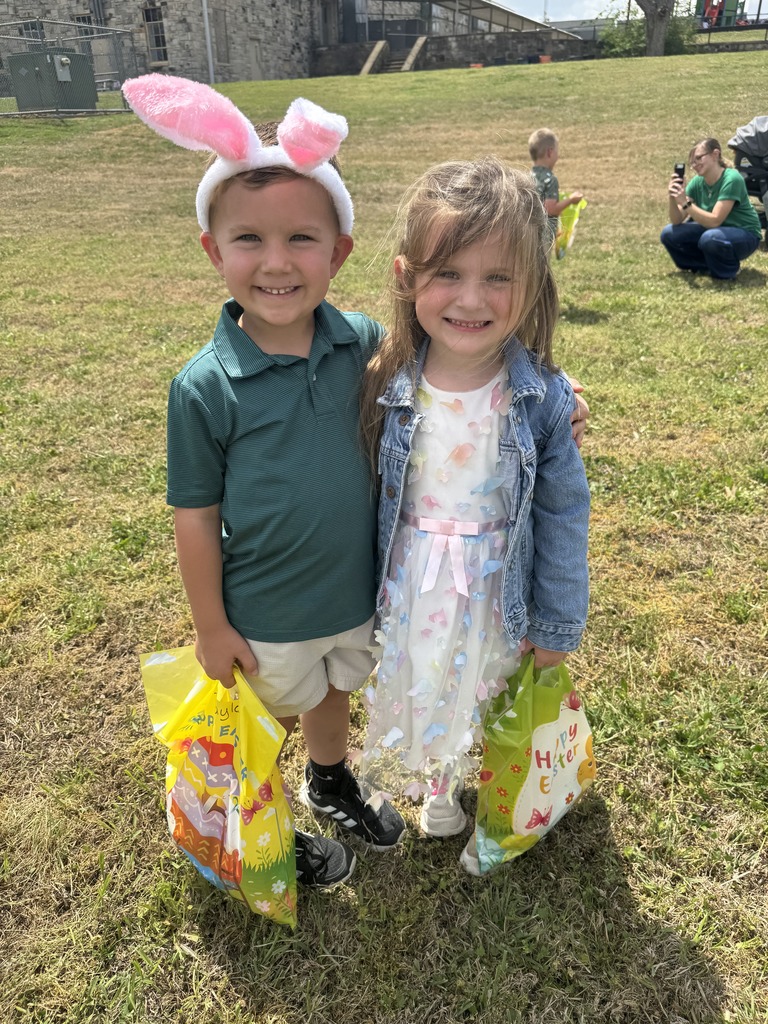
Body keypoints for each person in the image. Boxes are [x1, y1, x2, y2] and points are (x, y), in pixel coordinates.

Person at [122, 74, 407, 890]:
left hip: (354, 593)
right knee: (268, 723)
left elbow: (454, 377)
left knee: (334, 689)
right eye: (248, 239)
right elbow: (193, 515)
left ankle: (330, 780)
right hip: (267, 613)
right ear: (213, 251)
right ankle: (261, 818)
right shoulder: (204, 386)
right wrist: (210, 626)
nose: (276, 262)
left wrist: (552, 397)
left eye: (301, 239)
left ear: (338, 252)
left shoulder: (364, 345)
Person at [357, 157, 590, 874]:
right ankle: (439, 784)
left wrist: (557, 624)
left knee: (490, 687)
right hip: (414, 577)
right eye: (449, 274)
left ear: (533, 282)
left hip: (497, 583)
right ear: (406, 277)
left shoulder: (542, 400)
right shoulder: (381, 378)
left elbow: (563, 515)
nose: (471, 298)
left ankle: (494, 779)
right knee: (427, 681)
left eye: (497, 277)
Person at [661, 137, 762, 280]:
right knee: (668, 233)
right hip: (715, 232)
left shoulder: (732, 178)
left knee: (710, 238)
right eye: (692, 162)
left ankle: (727, 271)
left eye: (699, 158)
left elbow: (715, 221)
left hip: (745, 234)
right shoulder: (697, 182)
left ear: (715, 154)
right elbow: (676, 220)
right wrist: (673, 197)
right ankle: (705, 265)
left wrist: (686, 203)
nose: (695, 165)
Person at [528, 128, 584, 245]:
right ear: (550, 152)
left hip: (527, 234)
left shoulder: (527, 177)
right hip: (543, 238)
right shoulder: (550, 180)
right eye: (557, 152)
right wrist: (571, 200)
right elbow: (551, 209)